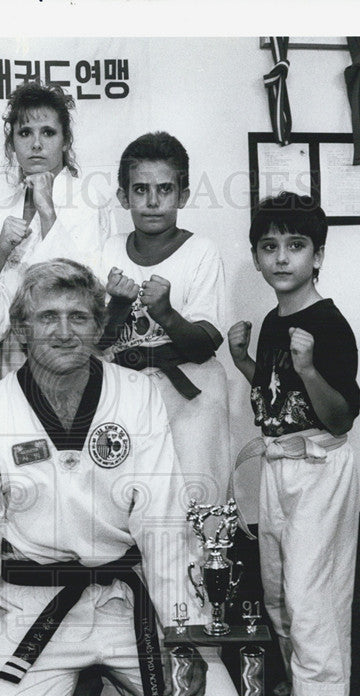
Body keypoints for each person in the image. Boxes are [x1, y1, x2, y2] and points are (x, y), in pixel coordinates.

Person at [0, 258, 242, 696]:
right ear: (22, 329)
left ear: (100, 326)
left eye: (79, 317)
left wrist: (184, 637)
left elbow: (163, 523)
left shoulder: (136, 395)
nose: (63, 331)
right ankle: (74, 691)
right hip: (32, 609)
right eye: (47, 317)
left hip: (127, 604)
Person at [227, 192, 360, 696]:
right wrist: (244, 364)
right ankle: (300, 677)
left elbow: (340, 415)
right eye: (270, 246)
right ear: (257, 257)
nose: (282, 258)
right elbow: (274, 395)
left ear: (318, 255)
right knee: (279, 587)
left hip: (319, 467)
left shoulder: (329, 325)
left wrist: (308, 366)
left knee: (313, 595)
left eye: (296, 246)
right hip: (279, 466)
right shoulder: (271, 321)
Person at [100, 131, 229, 507]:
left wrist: (167, 314)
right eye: (140, 190)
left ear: (183, 195)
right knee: (135, 498)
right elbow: (97, 342)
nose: (152, 201)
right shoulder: (109, 248)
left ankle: (209, 565)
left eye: (165, 189)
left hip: (192, 396)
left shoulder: (201, 252)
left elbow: (204, 344)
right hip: (127, 391)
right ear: (124, 197)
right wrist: (118, 308)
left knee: (197, 498)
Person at [0, 80, 114, 377]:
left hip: (69, 358)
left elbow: (93, 297)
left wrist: (48, 212)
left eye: (48, 133)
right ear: (12, 143)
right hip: (9, 362)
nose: (36, 144)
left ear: (66, 142)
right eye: (25, 133)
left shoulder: (89, 202)